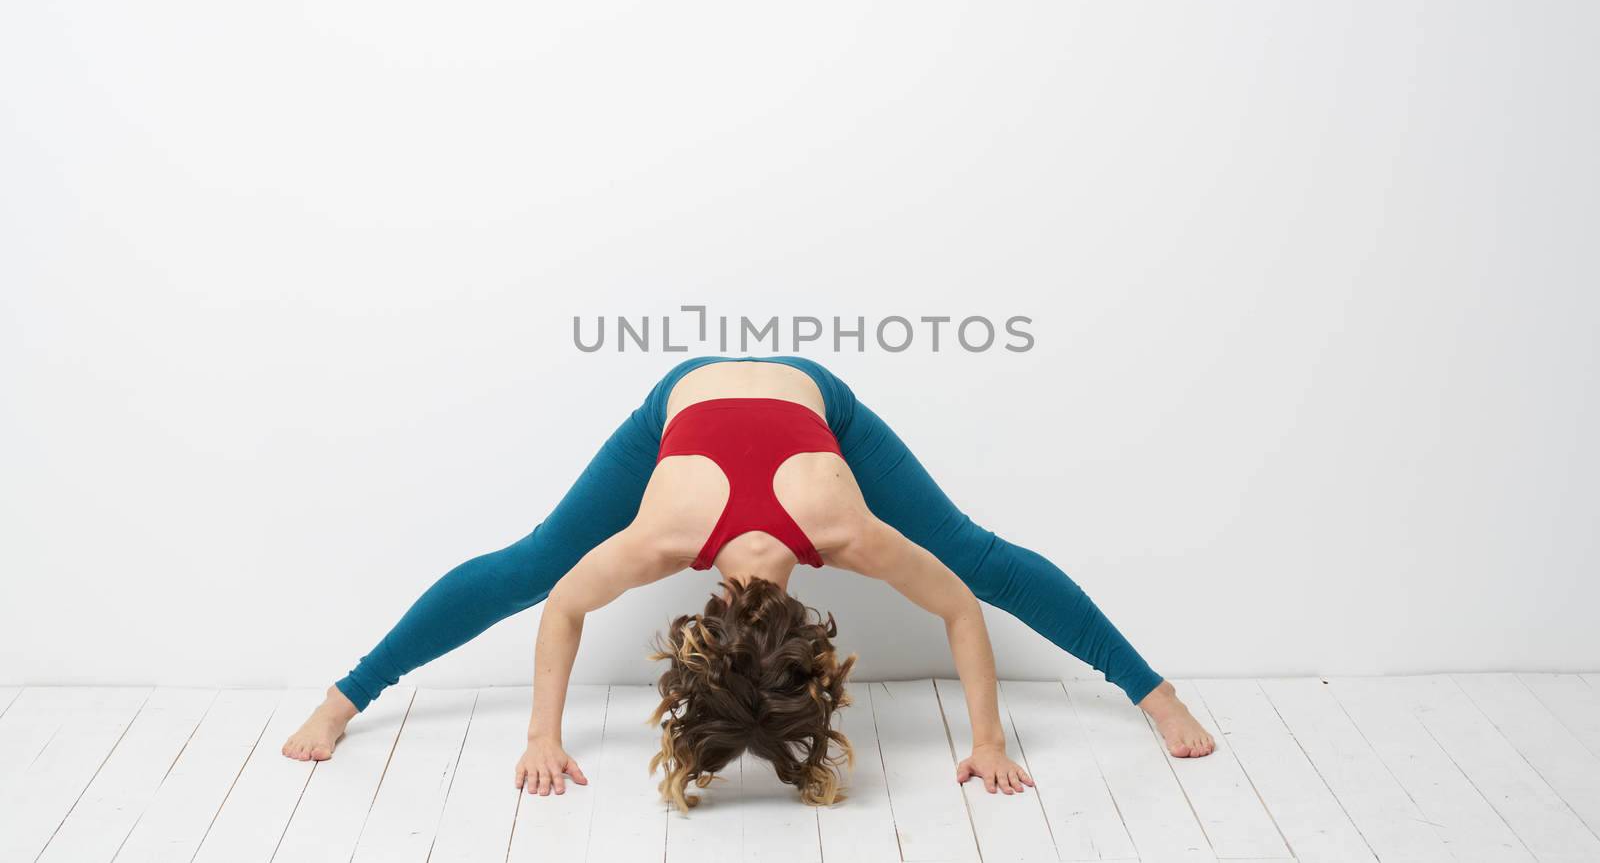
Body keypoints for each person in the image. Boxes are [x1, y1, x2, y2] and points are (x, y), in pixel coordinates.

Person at [282, 356, 1214, 809]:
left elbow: (566, 601)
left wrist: (544, 734)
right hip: (685, 397)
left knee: (972, 550)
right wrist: (984, 741)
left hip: (809, 396)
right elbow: (960, 606)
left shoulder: (823, 519)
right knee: (535, 561)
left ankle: (340, 699)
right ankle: (1157, 692)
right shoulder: (691, 529)